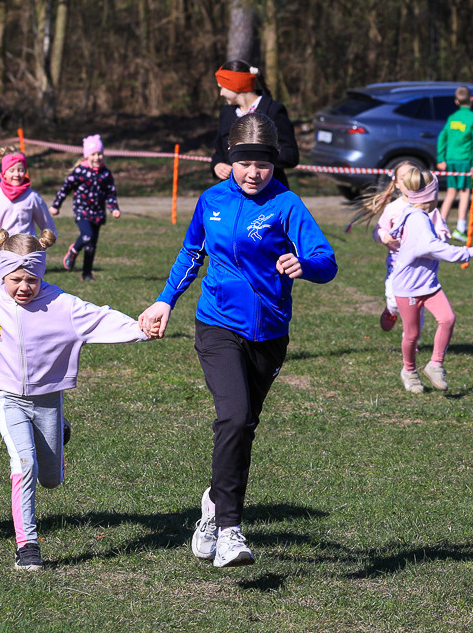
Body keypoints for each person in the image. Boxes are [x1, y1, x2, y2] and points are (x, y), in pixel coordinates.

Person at [137, 113, 337, 568]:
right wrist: (165, 301)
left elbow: (327, 260)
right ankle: (229, 530)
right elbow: (193, 252)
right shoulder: (211, 200)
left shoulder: (287, 205)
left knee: (243, 427)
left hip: (270, 334)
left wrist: (305, 265)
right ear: (230, 160)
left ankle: (213, 503)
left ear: (274, 164)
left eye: (262, 164)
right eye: (244, 162)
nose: (253, 172)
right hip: (216, 324)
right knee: (234, 416)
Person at [0, 230, 153, 570]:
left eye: (32, 279)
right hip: (9, 400)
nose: (24, 287)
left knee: (51, 479)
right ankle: (27, 546)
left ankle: (59, 431)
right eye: (16, 280)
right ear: (1, 274)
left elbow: (101, 318)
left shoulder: (62, 305)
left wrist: (142, 328)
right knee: (24, 466)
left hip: (47, 402)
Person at [389, 169, 473, 393]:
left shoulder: (421, 216)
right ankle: (409, 370)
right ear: (430, 197)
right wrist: (467, 252)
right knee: (412, 334)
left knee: (448, 318)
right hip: (408, 288)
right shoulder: (417, 220)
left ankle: (435, 364)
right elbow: (431, 248)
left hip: (429, 284)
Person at [363, 160, 450, 332]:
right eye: (404, 178)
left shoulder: (429, 208)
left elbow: (443, 233)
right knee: (395, 302)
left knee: (418, 305)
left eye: (413, 178)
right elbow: (378, 231)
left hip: (422, 268)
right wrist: (385, 237)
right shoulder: (393, 209)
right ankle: (391, 311)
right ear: (395, 183)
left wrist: (435, 240)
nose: (409, 183)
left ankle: (411, 341)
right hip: (398, 265)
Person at [210, 60, 299, 189]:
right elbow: (219, 151)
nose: (221, 93)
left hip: (268, 194)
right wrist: (217, 165)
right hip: (232, 194)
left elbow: (291, 155)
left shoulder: (274, 110)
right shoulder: (226, 112)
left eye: (222, 87)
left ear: (236, 85)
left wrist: (261, 159)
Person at [0, 146, 57, 288]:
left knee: (28, 285)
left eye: (20, 170)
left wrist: (45, 240)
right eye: (12, 170)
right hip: (2, 251)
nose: (17, 174)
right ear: (4, 173)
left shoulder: (32, 197)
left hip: (27, 252)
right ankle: (1, 309)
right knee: (1, 284)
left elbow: (46, 222)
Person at [49, 135, 120, 282]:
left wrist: (113, 208)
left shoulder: (106, 173)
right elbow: (65, 188)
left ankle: (86, 274)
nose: (97, 157)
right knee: (87, 236)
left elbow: (110, 192)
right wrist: (56, 205)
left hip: (98, 213)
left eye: (99, 154)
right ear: (87, 155)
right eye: (93, 154)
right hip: (82, 210)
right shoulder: (80, 171)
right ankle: (73, 251)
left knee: (91, 246)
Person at [436, 86, 473, 242]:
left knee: (450, 193)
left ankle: (439, 227)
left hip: (450, 160)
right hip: (464, 161)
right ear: (472, 99)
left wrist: (440, 158)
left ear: (456, 101)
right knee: (464, 193)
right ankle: (460, 228)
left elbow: (442, 137)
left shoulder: (452, 118)